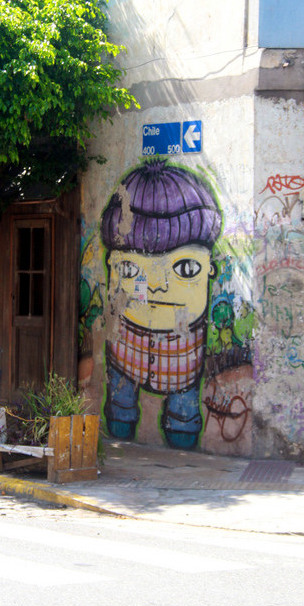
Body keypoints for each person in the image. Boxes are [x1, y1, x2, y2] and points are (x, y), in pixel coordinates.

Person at [100, 159, 222, 449]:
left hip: (182, 352)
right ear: (111, 265)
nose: (156, 285)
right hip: (125, 345)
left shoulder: (191, 343)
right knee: (120, 401)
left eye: (186, 268)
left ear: (209, 269)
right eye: (130, 268)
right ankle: (122, 423)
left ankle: (182, 435)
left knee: (184, 411)